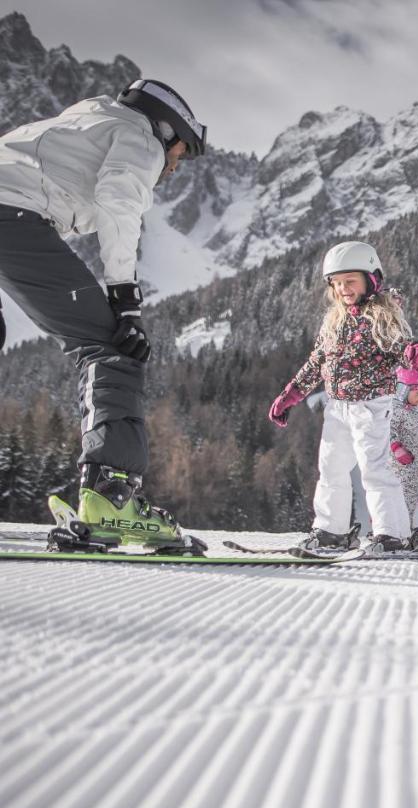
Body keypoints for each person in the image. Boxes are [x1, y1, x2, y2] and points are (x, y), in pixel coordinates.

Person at [0, 79, 207, 549]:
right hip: (10, 218)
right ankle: (111, 502)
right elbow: (120, 204)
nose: (173, 167)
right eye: (179, 154)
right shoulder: (139, 136)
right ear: (168, 131)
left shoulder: (85, 121)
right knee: (110, 347)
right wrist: (125, 300)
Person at [268, 241, 418, 553]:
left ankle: (393, 534)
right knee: (330, 468)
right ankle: (332, 530)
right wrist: (290, 394)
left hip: (372, 406)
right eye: (337, 283)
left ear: (371, 280)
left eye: (350, 281)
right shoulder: (335, 319)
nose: (343, 288)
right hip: (338, 406)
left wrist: (415, 351)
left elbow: (401, 346)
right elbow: (317, 361)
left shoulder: (381, 316)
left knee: (375, 470)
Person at [390, 359, 418, 531]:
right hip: (398, 467)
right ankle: (392, 530)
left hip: (413, 469)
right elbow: (388, 431)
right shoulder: (395, 410)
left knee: (411, 497)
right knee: (397, 497)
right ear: (403, 390)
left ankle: (406, 529)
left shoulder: (415, 414)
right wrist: (396, 448)